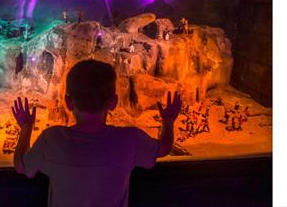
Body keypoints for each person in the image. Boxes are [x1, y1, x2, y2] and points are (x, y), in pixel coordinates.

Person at [12, 59, 182, 207]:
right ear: (114, 102)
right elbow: (164, 148)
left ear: (68, 102)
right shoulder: (130, 139)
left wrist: (26, 128)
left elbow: (21, 166)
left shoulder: (51, 139)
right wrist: (168, 121)